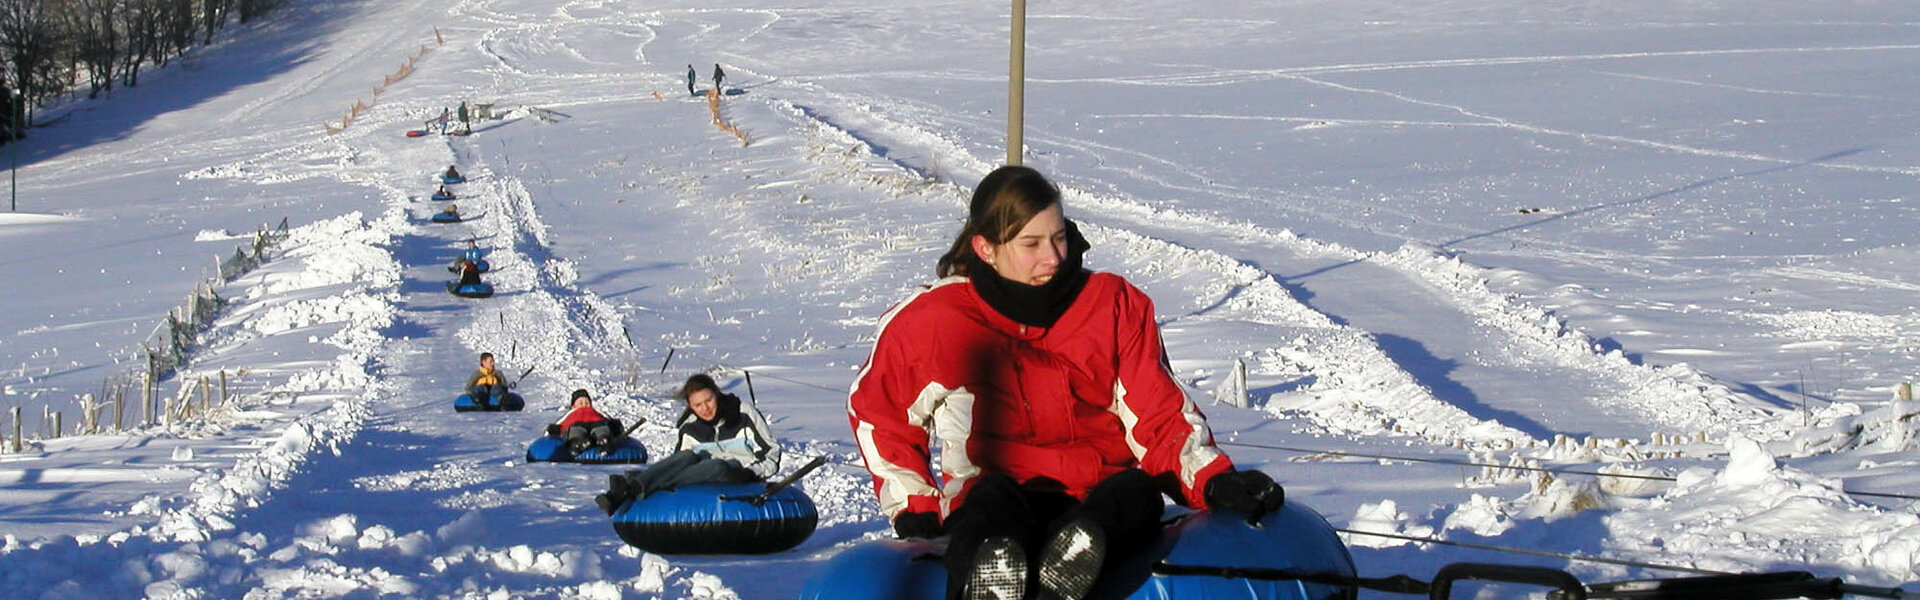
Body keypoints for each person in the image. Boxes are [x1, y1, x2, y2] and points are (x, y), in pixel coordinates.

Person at [847, 165, 1284, 600]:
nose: (1053, 257)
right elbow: (880, 414)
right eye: (1031, 244)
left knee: (1137, 492)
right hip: (997, 502)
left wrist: (1212, 479)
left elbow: (1159, 415)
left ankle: (1069, 567)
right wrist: (915, 507)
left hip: (1095, 503)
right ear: (985, 248)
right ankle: (993, 579)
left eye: (1059, 237)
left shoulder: (1113, 305)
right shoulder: (935, 321)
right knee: (990, 501)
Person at [595, 373, 782, 514]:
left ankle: (635, 483)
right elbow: (679, 464)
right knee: (686, 456)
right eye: (698, 405)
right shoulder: (689, 425)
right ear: (690, 405)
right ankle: (632, 488)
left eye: (708, 400)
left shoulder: (743, 413)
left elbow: (771, 453)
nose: (705, 409)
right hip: (702, 477)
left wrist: (752, 473)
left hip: (740, 473)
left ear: (717, 394)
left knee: (716, 465)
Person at [555, 389, 617, 453]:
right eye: (580, 403)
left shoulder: (595, 412)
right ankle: (576, 442)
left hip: (596, 424)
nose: (584, 405)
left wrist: (613, 426)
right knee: (576, 429)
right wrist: (555, 429)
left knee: (601, 428)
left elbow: (605, 419)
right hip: (578, 425)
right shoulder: (571, 413)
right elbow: (562, 423)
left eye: (587, 403)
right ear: (573, 406)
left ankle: (603, 440)